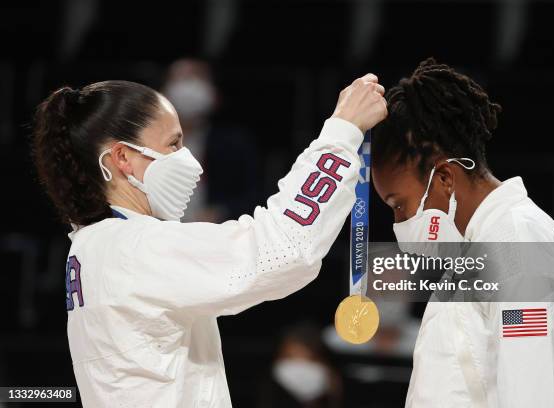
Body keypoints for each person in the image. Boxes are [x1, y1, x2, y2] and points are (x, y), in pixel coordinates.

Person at [32, 76, 387, 407]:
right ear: (122, 157)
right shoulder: (133, 247)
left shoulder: (94, 243)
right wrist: (343, 131)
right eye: (173, 143)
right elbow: (282, 248)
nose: (192, 164)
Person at [371, 58, 554, 407]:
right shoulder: (475, 252)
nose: (399, 220)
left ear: (445, 178)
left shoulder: (519, 244)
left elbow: (531, 396)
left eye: (399, 204)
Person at [162, 58, 258, 222]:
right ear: (163, 93)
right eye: (181, 79)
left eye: (197, 78)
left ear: (214, 94)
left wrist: (221, 212)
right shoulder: (144, 142)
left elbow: (255, 196)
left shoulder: (234, 143)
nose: (189, 88)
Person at [257, 323, 342, 408]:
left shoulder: (331, 380)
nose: (296, 365)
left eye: (303, 357)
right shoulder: (272, 387)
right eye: (289, 357)